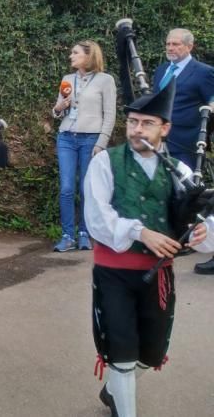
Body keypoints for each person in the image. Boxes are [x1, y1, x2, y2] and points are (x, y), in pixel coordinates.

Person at [83, 77, 214, 417]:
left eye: (147, 123)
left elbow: (201, 221)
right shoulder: (105, 163)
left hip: (159, 279)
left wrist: (200, 234)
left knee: (150, 355)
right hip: (113, 273)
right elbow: (97, 218)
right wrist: (141, 232)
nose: (138, 129)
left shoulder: (180, 170)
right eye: (133, 122)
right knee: (121, 352)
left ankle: (113, 389)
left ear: (165, 128)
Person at [147, 29, 214, 275]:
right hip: (160, 140)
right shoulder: (161, 70)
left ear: (189, 47)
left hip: (187, 141)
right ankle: (173, 236)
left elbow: (212, 101)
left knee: (189, 192)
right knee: (164, 189)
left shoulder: (204, 72)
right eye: (168, 43)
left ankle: (195, 238)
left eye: (176, 44)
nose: (171, 47)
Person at [51, 40, 117, 252]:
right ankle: (67, 235)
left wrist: (101, 142)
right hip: (66, 138)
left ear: (89, 57)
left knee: (86, 188)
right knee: (67, 188)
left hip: (91, 139)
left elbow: (110, 114)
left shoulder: (105, 80)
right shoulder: (67, 79)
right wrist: (59, 107)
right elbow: (57, 111)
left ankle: (84, 234)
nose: (71, 56)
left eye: (75, 53)